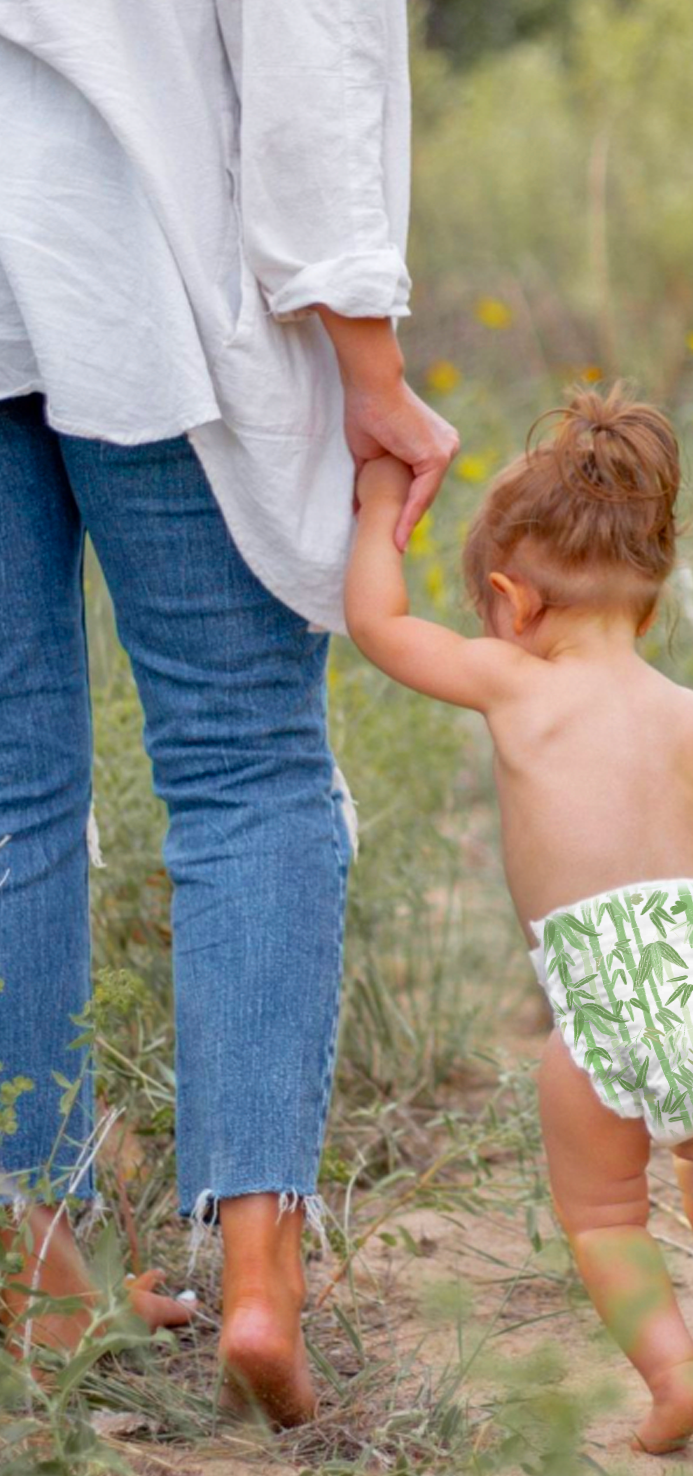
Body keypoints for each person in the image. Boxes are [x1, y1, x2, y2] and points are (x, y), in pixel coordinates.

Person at [0, 0, 456, 1425]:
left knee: (10, 783)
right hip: (144, 279)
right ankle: (258, 1280)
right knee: (245, 765)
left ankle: (40, 1267)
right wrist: (370, 367)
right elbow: (306, 55)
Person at [344, 384, 693, 1453]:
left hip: (601, 1009)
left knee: (604, 1218)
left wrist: (375, 506)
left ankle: (675, 1379)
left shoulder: (514, 684)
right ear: (647, 596)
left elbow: (376, 623)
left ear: (512, 600)